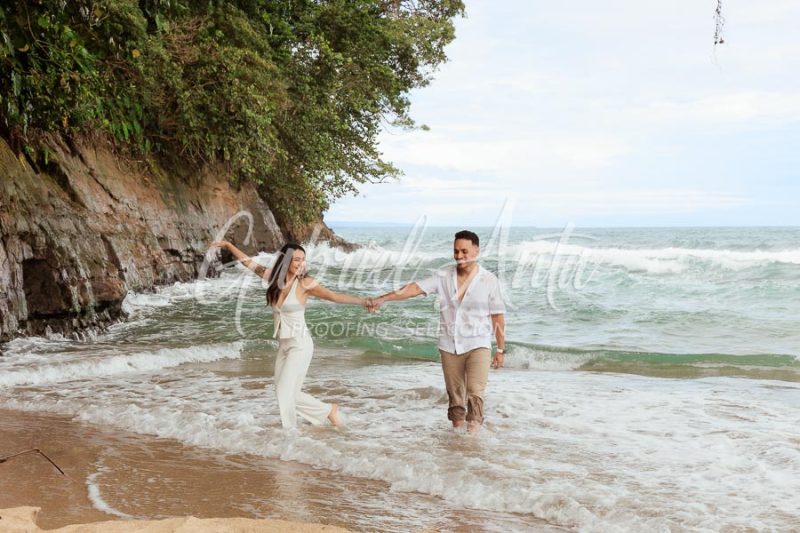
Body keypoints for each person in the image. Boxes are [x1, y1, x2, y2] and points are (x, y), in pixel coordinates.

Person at [211, 240, 370, 429]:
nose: (301, 263)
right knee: (285, 392)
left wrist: (363, 301)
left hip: (301, 344)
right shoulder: (273, 279)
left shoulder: (305, 283)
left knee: (285, 393)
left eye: (303, 260)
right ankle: (327, 411)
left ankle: (291, 434)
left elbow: (334, 296)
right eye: (296, 260)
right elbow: (248, 262)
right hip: (284, 346)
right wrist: (229, 245)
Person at [369, 230, 506, 434]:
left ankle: (472, 440)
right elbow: (414, 288)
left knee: (475, 392)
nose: (459, 256)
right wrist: (384, 298)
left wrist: (501, 349)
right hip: (449, 346)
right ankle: (457, 442)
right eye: (456, 251)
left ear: (477, 251)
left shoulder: (489, 280)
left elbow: (497, 315)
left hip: (478, 344)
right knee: (455, 397)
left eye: (464, 251)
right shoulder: (444, 275)